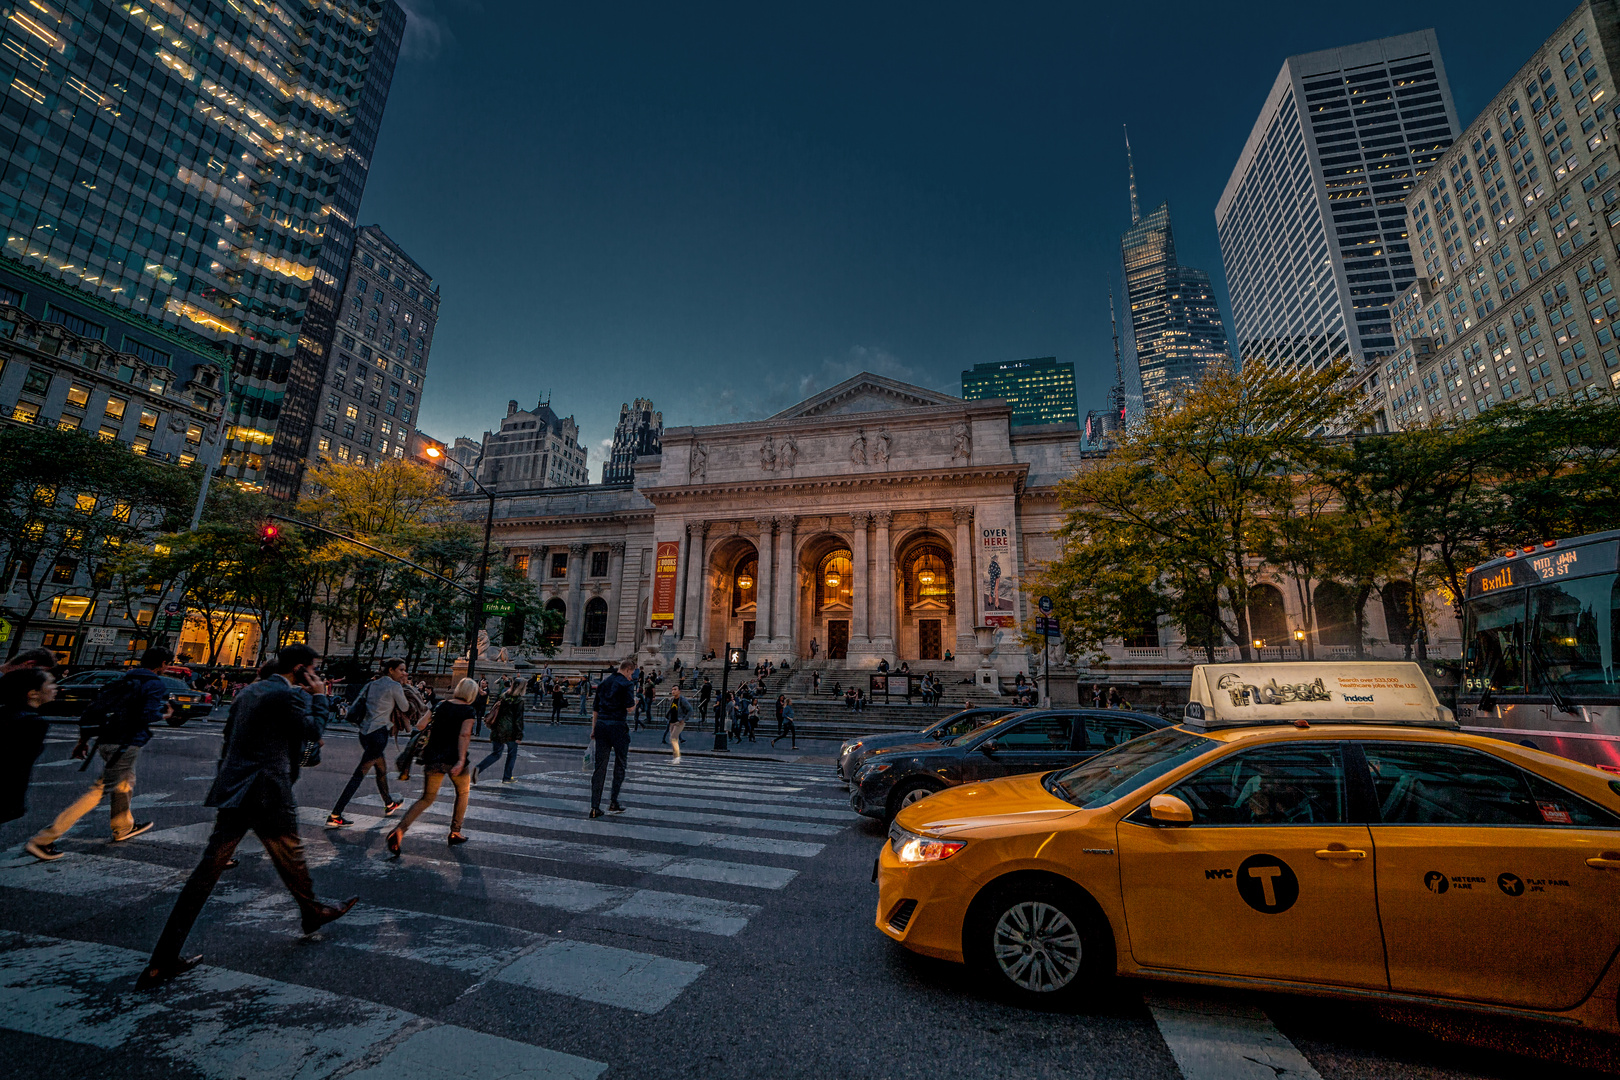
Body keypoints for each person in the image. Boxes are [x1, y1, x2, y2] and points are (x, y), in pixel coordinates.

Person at [136, 645, 355, 990]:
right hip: (266, 788)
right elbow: (312, 732)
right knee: (289, 854)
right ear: (300, 668)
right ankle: (312, 911)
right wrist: (319, 696)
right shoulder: (287, 695)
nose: (315, 675)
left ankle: (162, 959)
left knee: (213, 872)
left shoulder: (250, 691)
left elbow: (234, 738)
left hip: (237, 787)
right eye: (312, 669)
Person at [25, 647, 172, 861]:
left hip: (106, 740)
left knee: (125, 781)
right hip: (126, 743)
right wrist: (165, 714)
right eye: (167, 663)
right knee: (101, 789)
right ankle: (43, 839)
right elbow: (148, 715)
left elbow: (93, 709)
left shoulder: (123, 680)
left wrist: (83, 740)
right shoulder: (154, 684)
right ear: (162, 664)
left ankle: (123, 826)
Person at [389, 678, 478, 854]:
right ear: (472, 693)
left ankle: (399, 830)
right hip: (453, 759)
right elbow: (464, 735)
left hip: (433, 756)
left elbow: (420, 724)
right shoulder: (468, 710)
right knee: (462, 793)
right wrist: (461, 760)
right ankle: (455, 831)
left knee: (427, 798)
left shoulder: (440, 705)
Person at [325, 659, 412, 828]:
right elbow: (405, 707)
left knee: (381, 770)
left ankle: (389, 803)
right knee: (359, 775)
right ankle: (336, 814)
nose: (403, 673)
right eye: (401, 670)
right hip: (378, 734)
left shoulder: (371, 684)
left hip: (364, 732)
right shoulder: (394, 686)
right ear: (392, 670)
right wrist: (403, 686)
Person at [1, 667, 56, 825]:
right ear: (33, 693)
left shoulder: (7, 714)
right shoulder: (32, 724)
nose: (55, 687)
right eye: (50, 684)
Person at [589, 658, 636, 818]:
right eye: (632, 673)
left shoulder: (603, 683)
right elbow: (630, 708)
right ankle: (613, 801)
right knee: (620, 764)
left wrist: (594, 729)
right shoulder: (627, 684)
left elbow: (595, 709)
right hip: (618, 726)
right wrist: (635, 702)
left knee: (600, 767)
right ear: (628, 670)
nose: (631, 676)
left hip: (601, 725)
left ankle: (595, 806)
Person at [475, 683, 525, 783]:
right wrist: (519, 734)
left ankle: (478, 768)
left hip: (498, 727)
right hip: (510, 731)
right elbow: (518, 719)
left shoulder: (503, 696)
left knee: (496, 753)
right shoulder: (519, 700)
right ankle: (507, 777)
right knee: (512, 754)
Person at [665, 684, 691, 763]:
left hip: (679, 722)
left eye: (675, 689)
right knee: (673, 739)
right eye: (672, 689)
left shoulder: (682, 700)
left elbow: (690, 710)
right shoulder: (672, 699)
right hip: (672, 721)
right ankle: (675, 757)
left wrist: (684, 719)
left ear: (679, 691)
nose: (673, 691)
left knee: (673, 738)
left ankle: (677, 758)